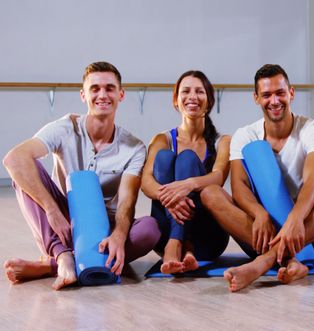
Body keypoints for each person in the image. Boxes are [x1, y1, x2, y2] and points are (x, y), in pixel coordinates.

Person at [3, 62, 160, 290]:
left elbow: (127, 202)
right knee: (25, 170)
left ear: (121, 94)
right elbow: (13, 159)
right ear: (83, 95)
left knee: (150, 229)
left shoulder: (134, 147)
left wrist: (118, 235)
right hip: (64, 225)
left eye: (109, 88)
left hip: (104, 230)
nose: (102, 95)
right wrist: (51, 209)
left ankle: (50, 267)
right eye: (95, 89)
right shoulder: (65, 128)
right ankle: (63, 256)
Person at [200, 64, 314, 292]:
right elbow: (239, 186)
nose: (274, 101)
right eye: (266, 95)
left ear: (291, 93)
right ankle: (293, 261)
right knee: (210, 193)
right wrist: (259, 213)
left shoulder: (312, 129)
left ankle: (264, 262)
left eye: (280, 93)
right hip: (261, 233)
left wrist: (295, 219)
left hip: (305, 232)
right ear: (256, 98)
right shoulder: (245, 135)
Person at [141, 70, 230, 274]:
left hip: (208, 237)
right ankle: (181, 243)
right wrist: (172, 198)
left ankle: (178, 243)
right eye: (186, 91)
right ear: (176, 100)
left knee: (188, 158)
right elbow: (146, 181)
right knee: (164, 157)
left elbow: (219, 176)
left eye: (199, 91)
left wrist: (188, 184)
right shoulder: (162, 139)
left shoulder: (222, 141)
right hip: (165, 231)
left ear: (209, 101)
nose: (192, 97)